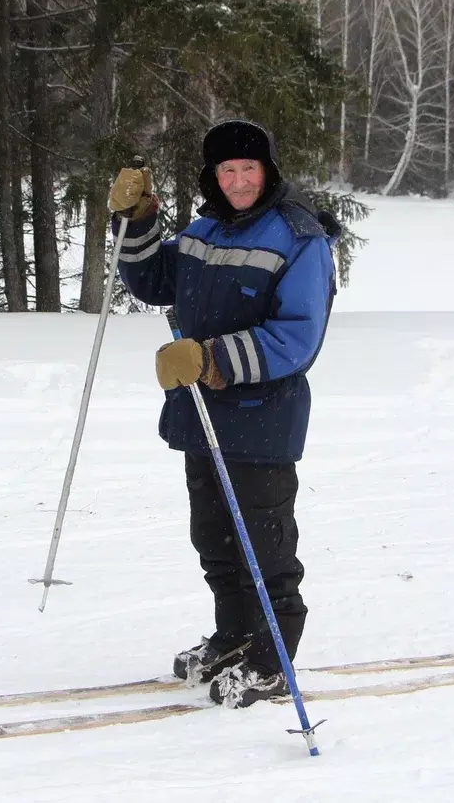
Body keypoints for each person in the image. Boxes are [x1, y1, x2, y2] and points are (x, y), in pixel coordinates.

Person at [106, 119, 339, 709]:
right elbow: (156, 281)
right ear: (213, 176)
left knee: (264, 545)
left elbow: (298, 338)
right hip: (201, 415)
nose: (237, 181)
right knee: (213, 536)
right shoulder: (203, 229)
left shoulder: (298, 237)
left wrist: (208, 357)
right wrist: (138, 224)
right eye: (226, 171)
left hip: (262, 416)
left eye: (248, 169)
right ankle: (235, 635)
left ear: (268, 171)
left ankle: (273, 657)